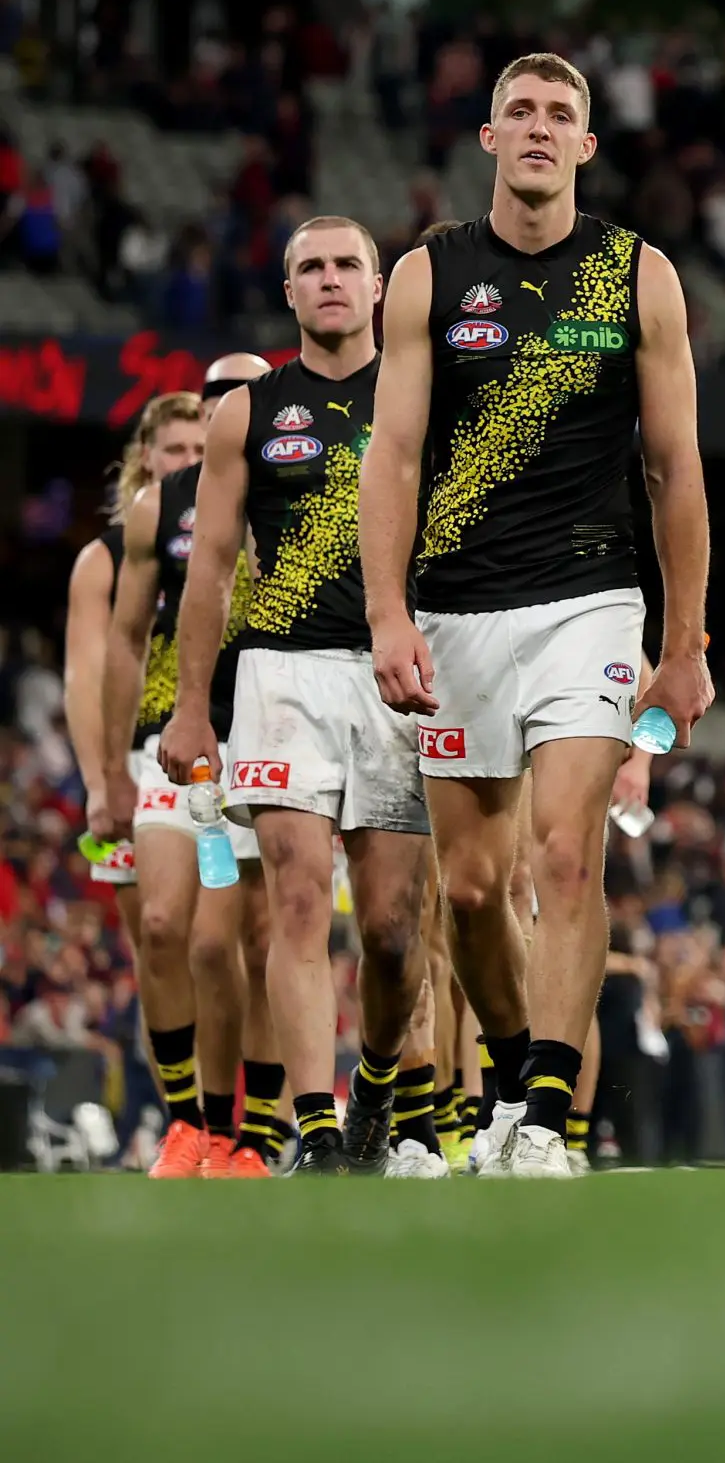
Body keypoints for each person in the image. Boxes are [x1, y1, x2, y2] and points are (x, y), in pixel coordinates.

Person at [362, 52, 715, 1180]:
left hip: (589, 604)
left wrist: (684, 641)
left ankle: (550, 1121)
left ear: (586, 146)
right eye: (519, 109)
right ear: (488, 137)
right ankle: (515, 1080)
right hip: (457, 611)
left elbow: (675, 466)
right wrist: (385, 612)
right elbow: (397, 456)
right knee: (468, 893)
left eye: (561, 114)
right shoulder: (426, 275)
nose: (538, 127)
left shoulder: (637, 275)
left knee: (566, 859)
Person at [160, 217, 442, 1176]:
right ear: (289, 293)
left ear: (377, 288)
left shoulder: (427, 396)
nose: (329, 280)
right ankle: (314, 1127)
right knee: (293, 903)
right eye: (310, 267)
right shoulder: (246, 413)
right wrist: (195, 706)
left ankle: (374, 1087)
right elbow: (209, 569)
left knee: (397, 935)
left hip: (397, 671)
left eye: (346, 266)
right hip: (281, 674)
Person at [94, 365, 281, 1179]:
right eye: (214, 400)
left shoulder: (304, 488)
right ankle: (187, 1126)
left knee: (238, 941)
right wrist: (110, 768)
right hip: (180, 740)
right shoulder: (160, 507)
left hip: (271, 733)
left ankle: (261, 1128)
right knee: (166, 928)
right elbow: (126, 639)